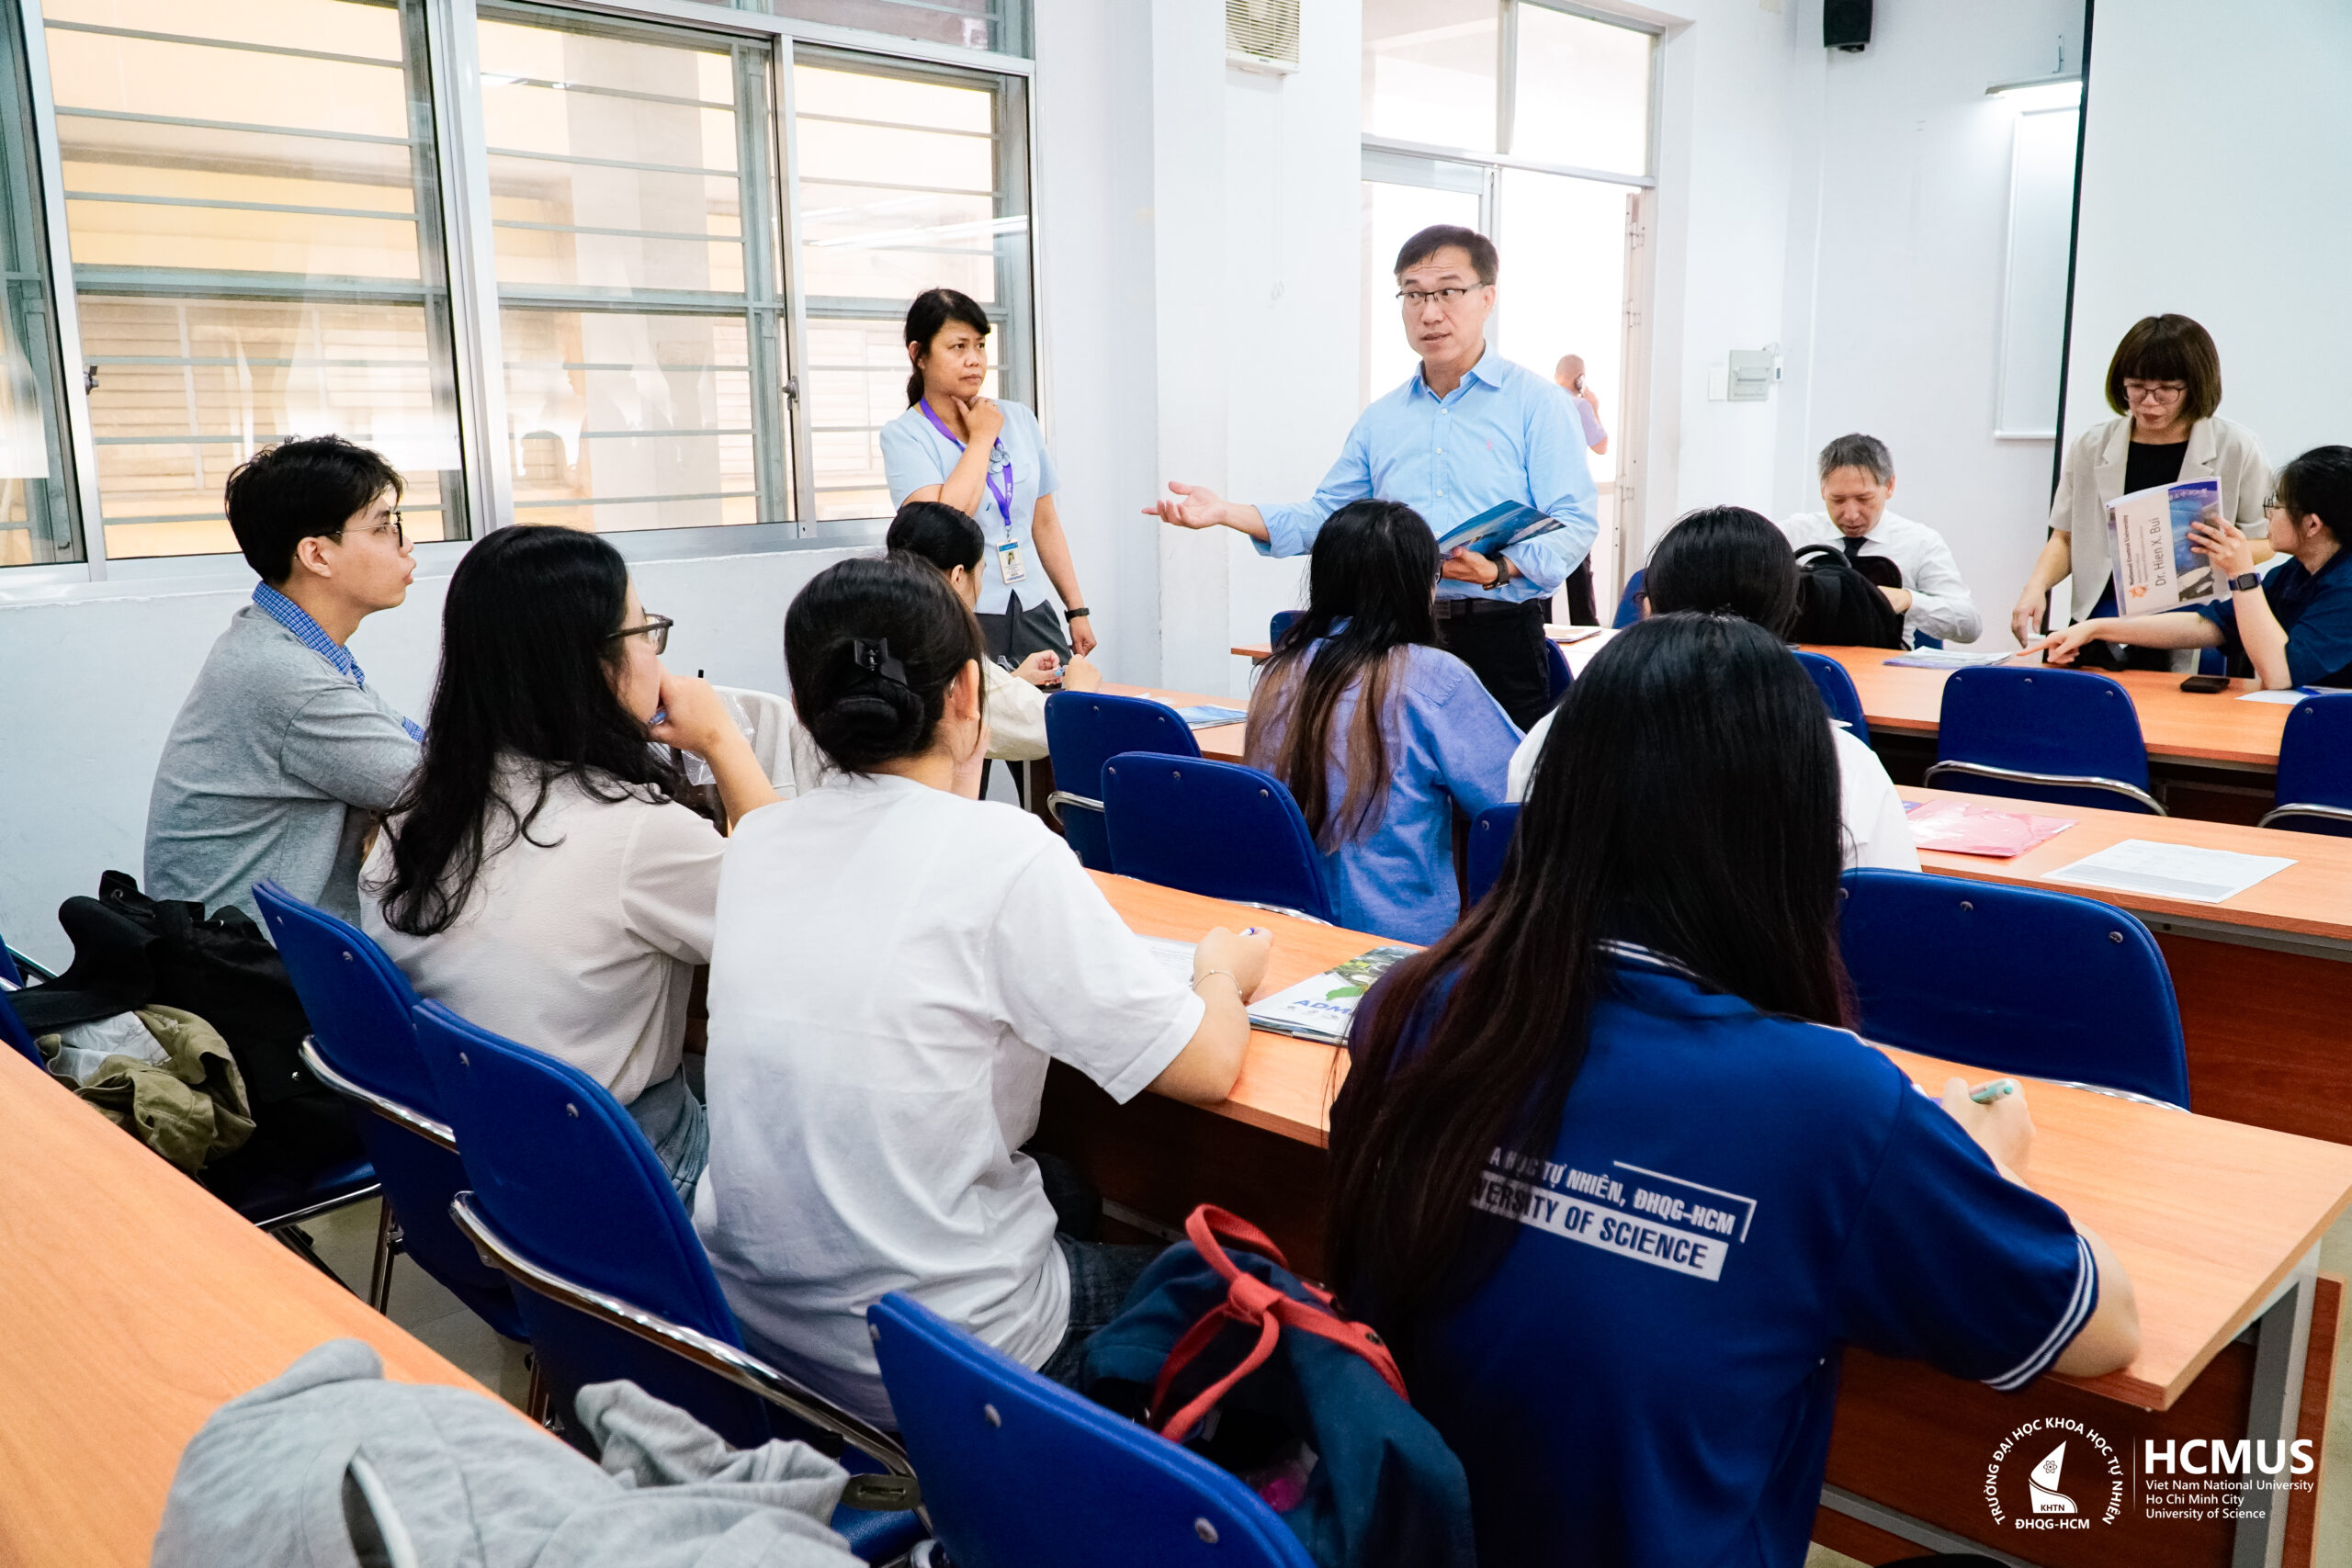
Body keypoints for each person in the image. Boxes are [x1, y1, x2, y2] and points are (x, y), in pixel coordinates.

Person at [1328, 613, 2141, 1566]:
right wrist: (1989, 1164)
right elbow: (2103, 1326)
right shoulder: (1830, 1101)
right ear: (1790, 840)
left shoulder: (1413, 1004)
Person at [695, 554, 1272, 1427]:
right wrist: (1222, 969)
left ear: (805, 706)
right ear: (968, 691)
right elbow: (1208, 1065)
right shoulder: (1008, 852)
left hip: (763, 1336)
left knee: (1065, 1187)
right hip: (940, 1359)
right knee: (1248, 1294)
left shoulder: (758, 840)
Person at [362, 526, 775, 1202]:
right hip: (625, 1172)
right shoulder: (638, 833)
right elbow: (794, 922)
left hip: (487, 1159)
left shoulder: (421, 805)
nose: (655, 654)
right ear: (594, 665)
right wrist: (723, 740)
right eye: (644, 632)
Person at [1146, 225, 1599, 729]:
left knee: (1502, 776)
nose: (1430, 313)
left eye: (1448, 292)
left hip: (1497, 635)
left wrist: (1499, 569)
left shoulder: (1538, 404)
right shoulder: (1382, 419)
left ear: (1487, 298)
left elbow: (1574, 521)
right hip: (1393, 637)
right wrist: (1227, 512)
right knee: (1391, 775)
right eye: (1413, 294)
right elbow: (1328, 517)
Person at [1507, 506, 1919, 872]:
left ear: (1649, 607)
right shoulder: (1840, 764)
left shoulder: (1554, 736)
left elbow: (1518, 868)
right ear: (1785, 619)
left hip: (1577, 940)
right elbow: (1884, 912)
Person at [145, 436, 422, 925]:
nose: (406, 545)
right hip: (251, 961)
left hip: (259, 944)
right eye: (383, 527)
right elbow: (442, 791)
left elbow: (413, 745)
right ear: (317, 555)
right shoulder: (287, 677)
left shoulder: (282, 643)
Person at [1244, 500, 1520, 942]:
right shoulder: (1434, 677)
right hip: (1396, 945)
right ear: (1419, 586)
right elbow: (1517, 792)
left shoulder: (1280, 669)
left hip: (1287, 932)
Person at [2010, 314, 2274, 670]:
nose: (2149, 402)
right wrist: (2035, 587)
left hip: (2194, 623)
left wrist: (2221, 552)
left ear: (2196, 385)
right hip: (2101, 622)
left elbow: (2267, 542)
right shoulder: (2091, 446)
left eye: (2166, 389)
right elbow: (2066, 538)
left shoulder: (2237, 447)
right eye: (2136, 387)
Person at [881, 288, 1097, 666]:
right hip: (961, 610)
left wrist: (1076, 610)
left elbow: (1044, 522)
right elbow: (944, 526)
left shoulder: (1017, 418)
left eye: (980, 346)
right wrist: (981, 438)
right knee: (981, 702)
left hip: (1030, 601)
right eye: (958, 347)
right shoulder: (904, 436)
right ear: (919, 355)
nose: (974, 360)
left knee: (1063, 697)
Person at [2033, 446, 2352, 690]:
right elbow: (2208, 625)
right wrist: (2095, 629)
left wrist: (2242, 574)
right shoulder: (2294, 573)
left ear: (2312, 524)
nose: (2268, 514)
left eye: (2277, 505)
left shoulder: (2346, 586)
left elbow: (2281, 674)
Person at [885, 499, 1101, 763]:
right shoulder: (945, 652)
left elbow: (986, 699)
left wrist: (1012, 680)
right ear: (958, 576)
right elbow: (1048, 728)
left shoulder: (885, 625)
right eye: (981, 572)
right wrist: (1080, 690)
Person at [1781, 433, 1981, 647]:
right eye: (1837, 500)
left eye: (1863, 499)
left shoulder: (1920, 542)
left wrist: (1909, 601)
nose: (1851, 514)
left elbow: (1970, 625)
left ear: (1889, 486)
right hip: (1806, 662)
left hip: (1885, 663)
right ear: (1823, 490)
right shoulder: (1793, 533)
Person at [1553, 355, 1608, 625]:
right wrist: (1594, 407)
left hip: (1541, 502)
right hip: (1571, 503)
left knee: (1542, 570)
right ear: (1580, 378)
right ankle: (1585, 628)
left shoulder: (1544, 401)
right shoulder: (1580, 405)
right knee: (1579, 574)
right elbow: (1601, 446)